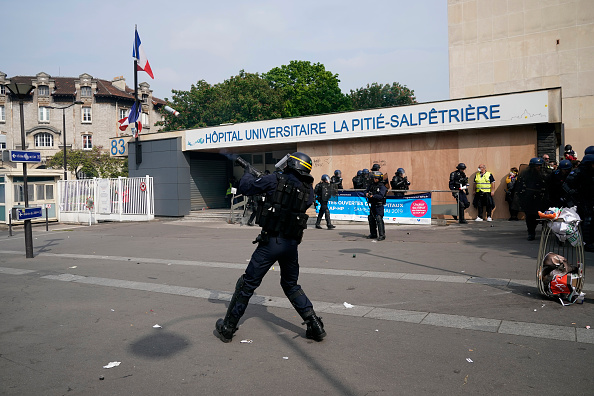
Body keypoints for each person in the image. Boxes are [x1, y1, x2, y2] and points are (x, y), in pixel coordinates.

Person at [215, 152, 326, 342]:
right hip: (291, 244)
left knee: (247, 284)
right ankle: (314, 324)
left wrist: (249, 172)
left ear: (292, 164)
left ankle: (228, 327)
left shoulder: (275, 179)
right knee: (291, 285)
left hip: (271, 243)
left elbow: (245, 187)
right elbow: (295, 201)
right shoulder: (308, 189)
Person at [563, 154, 594, 252]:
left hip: (590, 199)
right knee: (586, 222)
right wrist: (572, 192)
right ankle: (586, 243)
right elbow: (565, 185)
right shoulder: (577, 172)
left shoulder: (591, 173)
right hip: (579, 201)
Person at [514, 157, 551, 241]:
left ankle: (545, 231)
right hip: (530, 199)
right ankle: (531, 233)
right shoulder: (526, 174)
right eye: (536, 166)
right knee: (530, 217)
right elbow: (520, 186)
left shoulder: (546, 174)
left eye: (540, 166)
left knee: (545, 216)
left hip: (542, 199)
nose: (538, 168)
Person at [365, 171, 387, 241]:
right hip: (373, 204)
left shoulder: (382, 187)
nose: (375, 179)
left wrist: (373, 196)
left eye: (376, 178)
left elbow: (381, 196)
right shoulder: (372, 185)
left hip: (379, 205)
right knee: (371, 218)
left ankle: (382, 235)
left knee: (379, 219)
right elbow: (365, 191)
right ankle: (373, 234)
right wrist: (367, 194)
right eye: (374, 178)